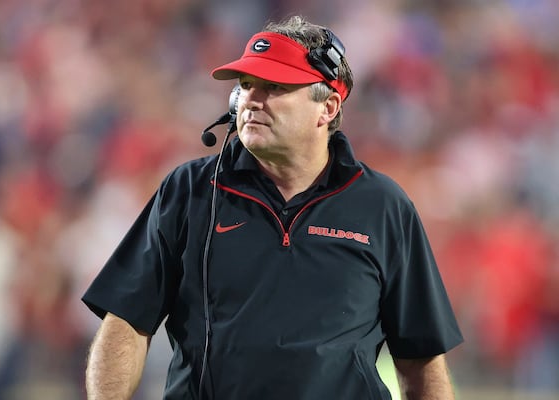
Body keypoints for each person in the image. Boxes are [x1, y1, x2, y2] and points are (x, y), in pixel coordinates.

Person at [82, 15, 463, 400]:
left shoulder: (383, 206)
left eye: (275, 87)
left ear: (328, 107)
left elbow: (421, 360)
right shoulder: (190, 191)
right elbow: (126, 324)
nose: (251, 100)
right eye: (246, 85)